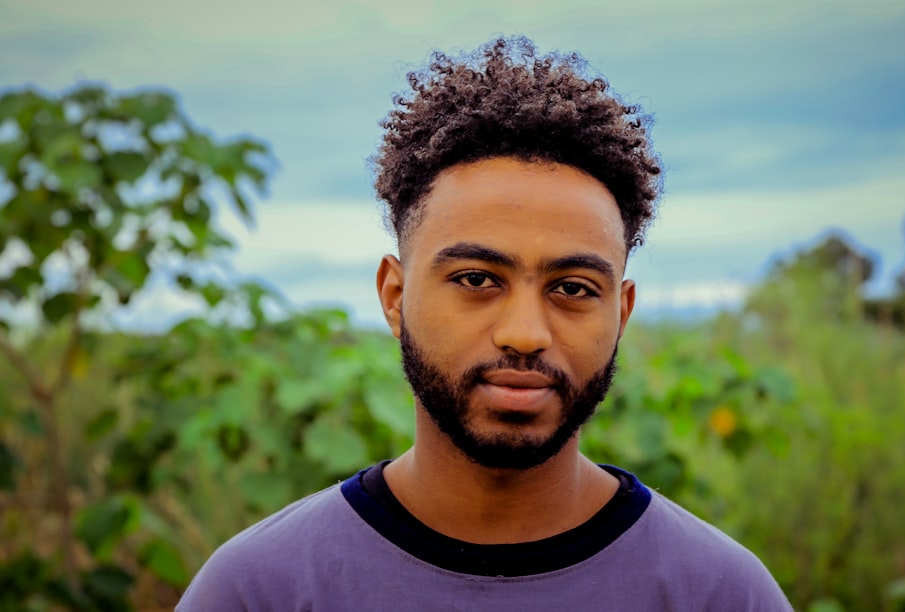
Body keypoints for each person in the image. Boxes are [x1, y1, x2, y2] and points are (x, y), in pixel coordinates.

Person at [177, 37, 792, 611]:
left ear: (621, 313)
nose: (525, 334)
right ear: (394, 296)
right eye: (476, 279)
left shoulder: (720, 594)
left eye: (573, 289)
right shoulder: (261, 590)